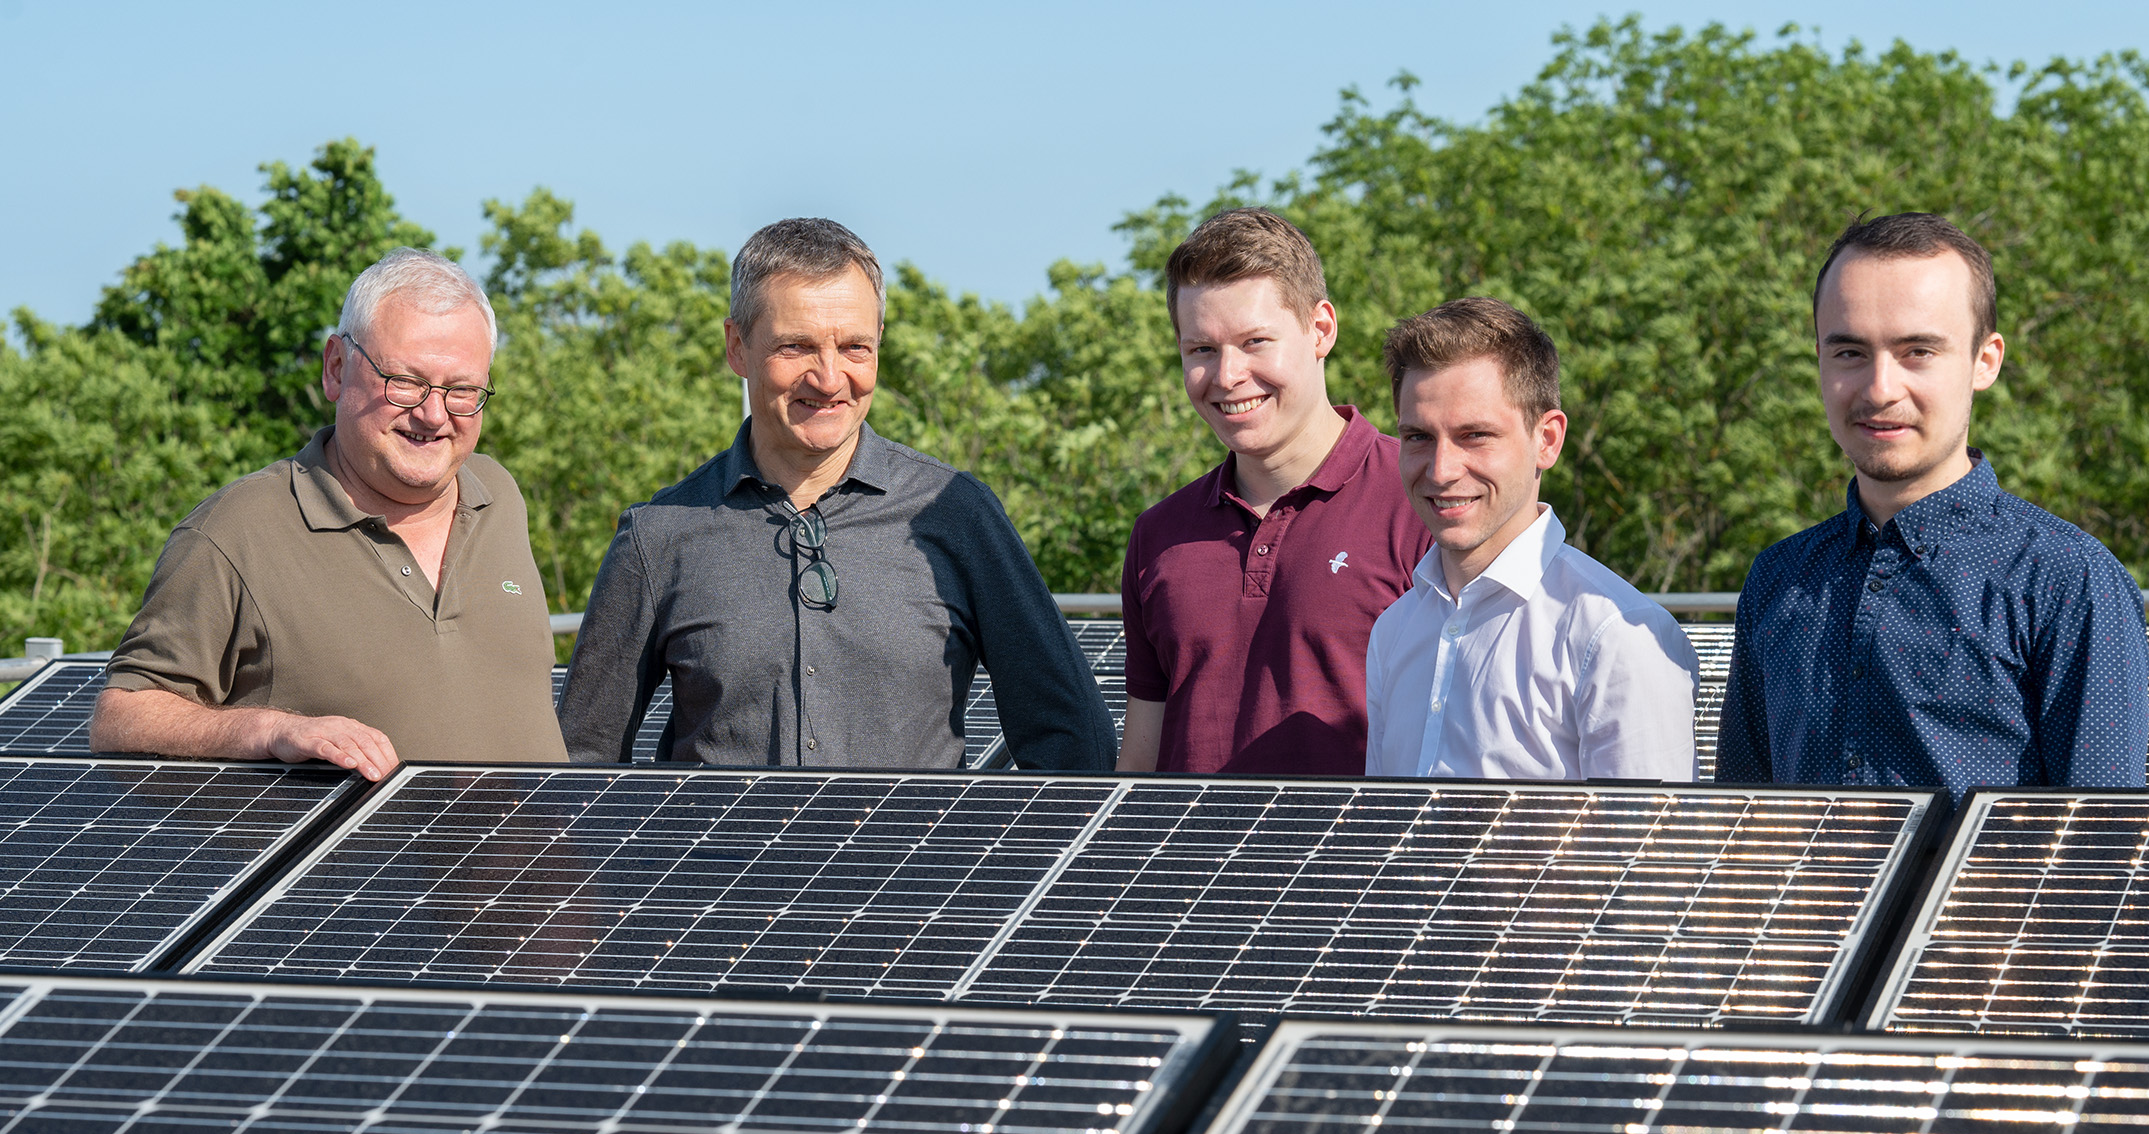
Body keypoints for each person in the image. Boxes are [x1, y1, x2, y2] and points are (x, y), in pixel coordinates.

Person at [558, 218, 1113, 770]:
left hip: (915, 861)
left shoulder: (957, 514)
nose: (828, 378)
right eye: (796, 346)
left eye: (854, 347)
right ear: (737, 348)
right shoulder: (659, 536)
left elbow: (1073, 739)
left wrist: (986, 853)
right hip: (718, 862)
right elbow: (580, 761)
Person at [1715, 213, 2148, 803]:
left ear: (1985, 361)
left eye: (1917, 351)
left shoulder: (2069, 583)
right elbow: (1744, 833)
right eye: (1849, 352)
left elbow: (2097, 847)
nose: (1879, 389)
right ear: (1817, 357)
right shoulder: (1779, 579)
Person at [91, 248, 565, 779]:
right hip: (363, 866)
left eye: (462, 391)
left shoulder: (498, 493)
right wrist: (268, 731)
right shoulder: (235, 531)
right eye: (406, 382)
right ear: (335, 368)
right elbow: (121, 717)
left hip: (537, 859)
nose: (434, 415)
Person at [1117, 208, 1429, 774]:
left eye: (1255, 341)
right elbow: (1140, 765)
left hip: (1364, 862)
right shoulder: (1158, 535)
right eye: (1201, 350)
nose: (1228, 375)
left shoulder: (1422, 502)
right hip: (1185, 862)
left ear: (1321, 330)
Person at [1365, 298, 1698, 780]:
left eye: (1475, 435)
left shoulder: (1616, 636)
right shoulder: (1394, 632)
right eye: (1418, 437)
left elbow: (1647, 854)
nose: (1441, 470)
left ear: (1547, 440)